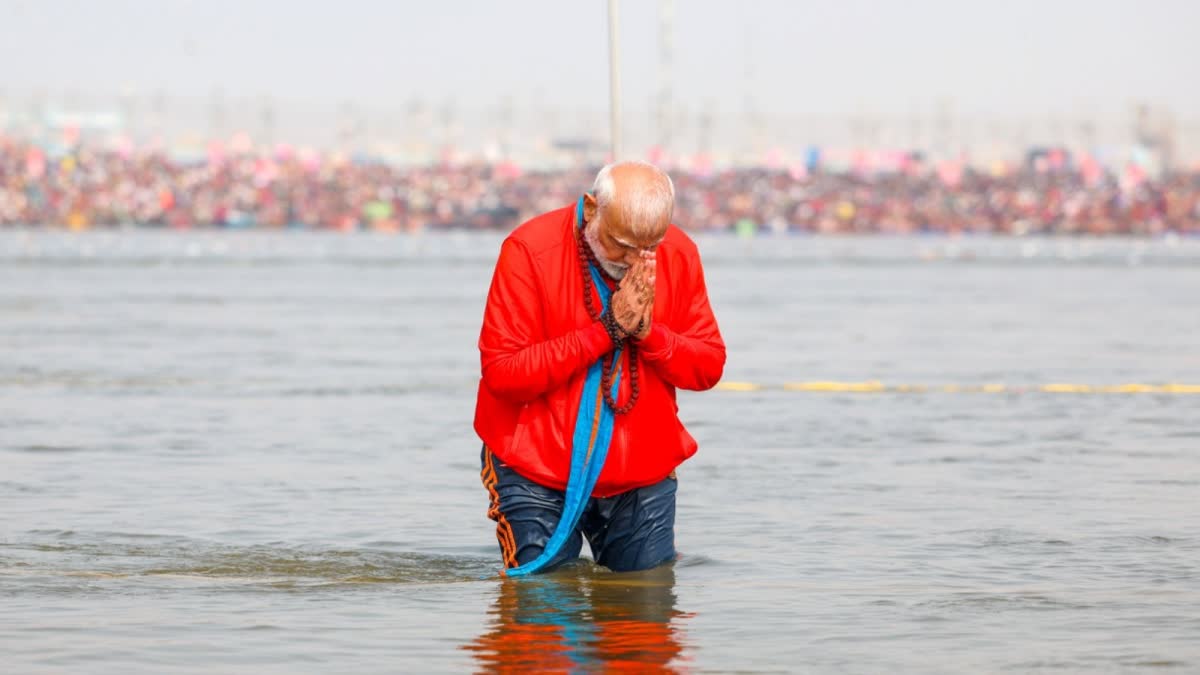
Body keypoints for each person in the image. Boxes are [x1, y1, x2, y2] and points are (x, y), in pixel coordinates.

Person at [474, 160, 726, 574]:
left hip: (641, 472)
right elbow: (505, 374)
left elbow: (707, 367)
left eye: (648, 247)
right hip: (534, 466)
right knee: (540, 618)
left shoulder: (679, 254)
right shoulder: (528, 250)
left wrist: (649, 334)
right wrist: (606, 331)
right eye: (620, 243)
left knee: (645, 621)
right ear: (591, 208)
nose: (632, 260)